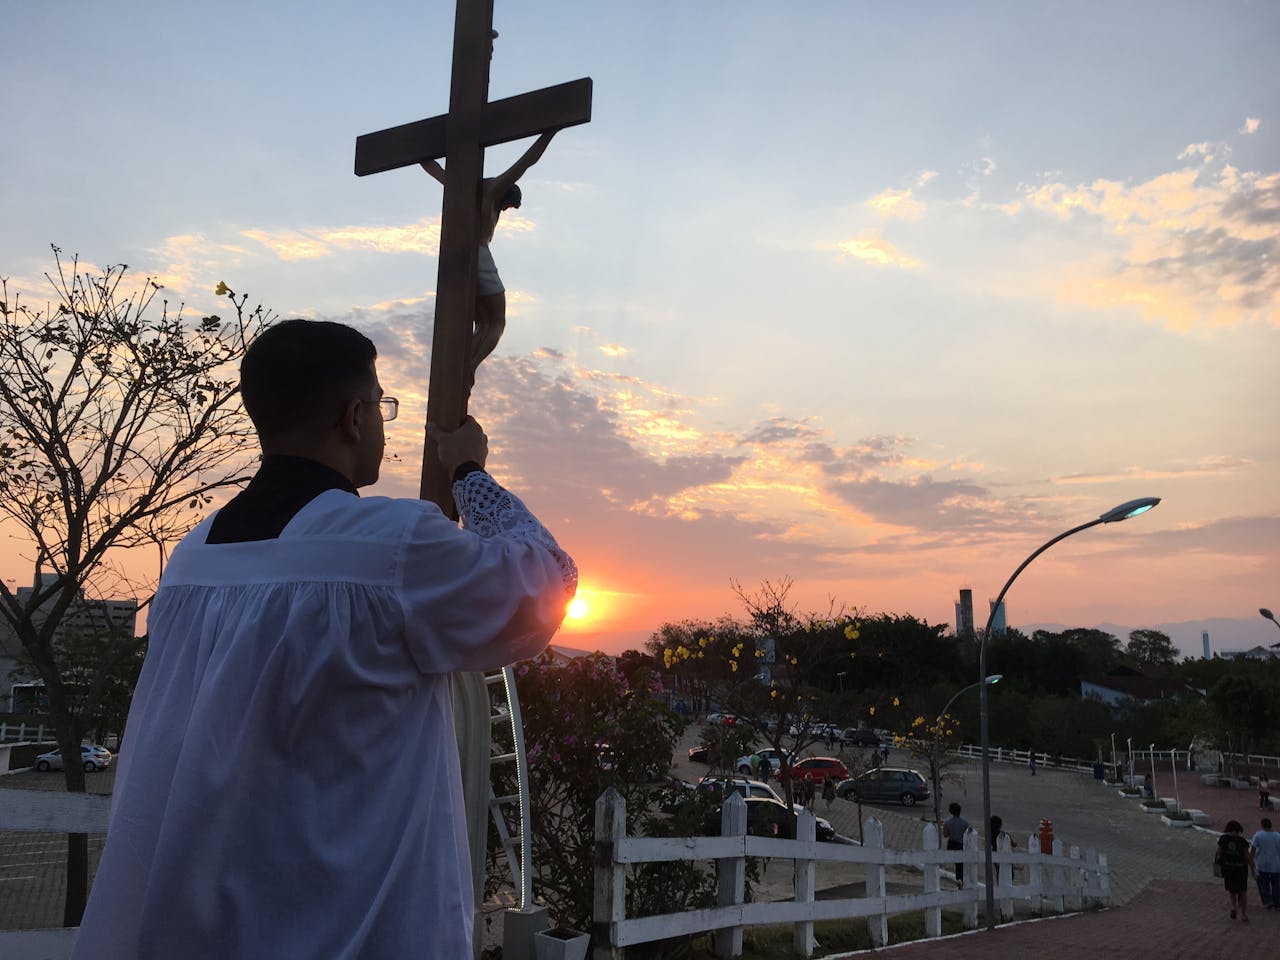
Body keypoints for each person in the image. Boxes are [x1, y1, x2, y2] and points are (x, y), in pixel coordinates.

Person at [72, 319, 577, 959]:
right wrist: (469, 472)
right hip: (348, 925)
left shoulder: (193, 558)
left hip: (203, 920)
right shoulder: (390, 548)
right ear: (353, 418)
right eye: (380, 405)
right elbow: (545, 581)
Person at [420, 130, 559, 383]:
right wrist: (550, 132)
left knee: (478, 323)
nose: (506, 211)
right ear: (508, 196)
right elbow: (527, 162)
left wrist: (420, 152)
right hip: (479, 256)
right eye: (509, 206)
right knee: (496, 322)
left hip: (455, 260)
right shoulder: (493, 190)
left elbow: (433, 168)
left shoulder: (462, 187)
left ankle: (460, 368)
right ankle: (469, 366)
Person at [1216, 819, 1256, 921]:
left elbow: (1218, 852)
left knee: (1232, 890)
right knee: (1242, 892)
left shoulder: (1223, 839)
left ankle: (1233, 907)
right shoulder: (1242, 841)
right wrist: (1252, 869)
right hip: (1241, 869)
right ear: (1239, 829)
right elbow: (1247, 857)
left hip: (1228, 868)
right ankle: (1243, 914)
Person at [1251, 817, 1280, 910]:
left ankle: (1268, 901)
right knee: (1276, 884)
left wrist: (1251, 862)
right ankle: (1277, 902)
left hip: (1262, 863)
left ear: (1262, 825)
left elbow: (1253, 849)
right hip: (1276, 864)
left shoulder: (1258, 835)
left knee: (1263, 884)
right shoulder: (1278, 836)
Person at [944, 802, 970, 884]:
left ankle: (959, 880)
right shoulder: (965, 823)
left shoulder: (947, 823)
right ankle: (960, 879)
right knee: (960, 865)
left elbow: (945, 835)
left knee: (956, 864)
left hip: (952, 844)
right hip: (961, 844)